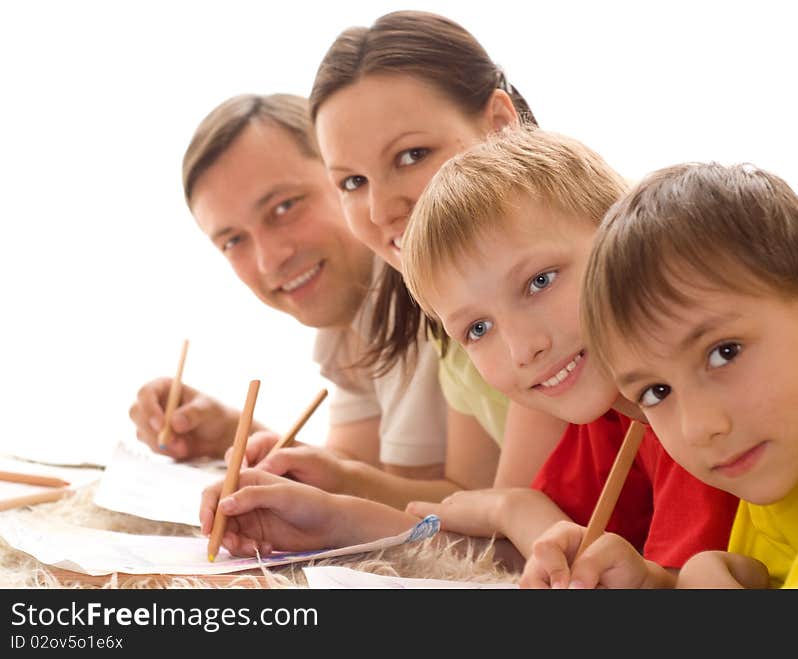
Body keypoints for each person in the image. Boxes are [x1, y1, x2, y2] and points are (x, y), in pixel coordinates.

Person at [200, 128, 738, 587]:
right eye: (478, 328)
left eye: (539, 282)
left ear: (620, 232)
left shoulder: (692, 422)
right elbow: (529, 556)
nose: (523, 347)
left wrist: (517, 510)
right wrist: (337, 522)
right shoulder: (601, 419)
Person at [560, 161, 798, 588]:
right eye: (656, 392)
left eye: (724, 353)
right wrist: (662, 585)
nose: (699, 427)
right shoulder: (789, 453)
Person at [128, 93, 451, 510]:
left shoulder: (428, 301)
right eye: (233, 240)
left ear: (346, 176)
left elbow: (444, 505)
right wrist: (230, 434)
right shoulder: (352, 320)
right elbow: (354, 468)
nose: (268, 259)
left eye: (284, 207)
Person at [308, 9, 568, 494]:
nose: (382, 208)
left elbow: (510, 515)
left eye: (412, 155)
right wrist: (335, 484)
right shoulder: (458, 325)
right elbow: (473, 494)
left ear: (499, 124)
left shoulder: (559, 303)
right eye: (352, 182)